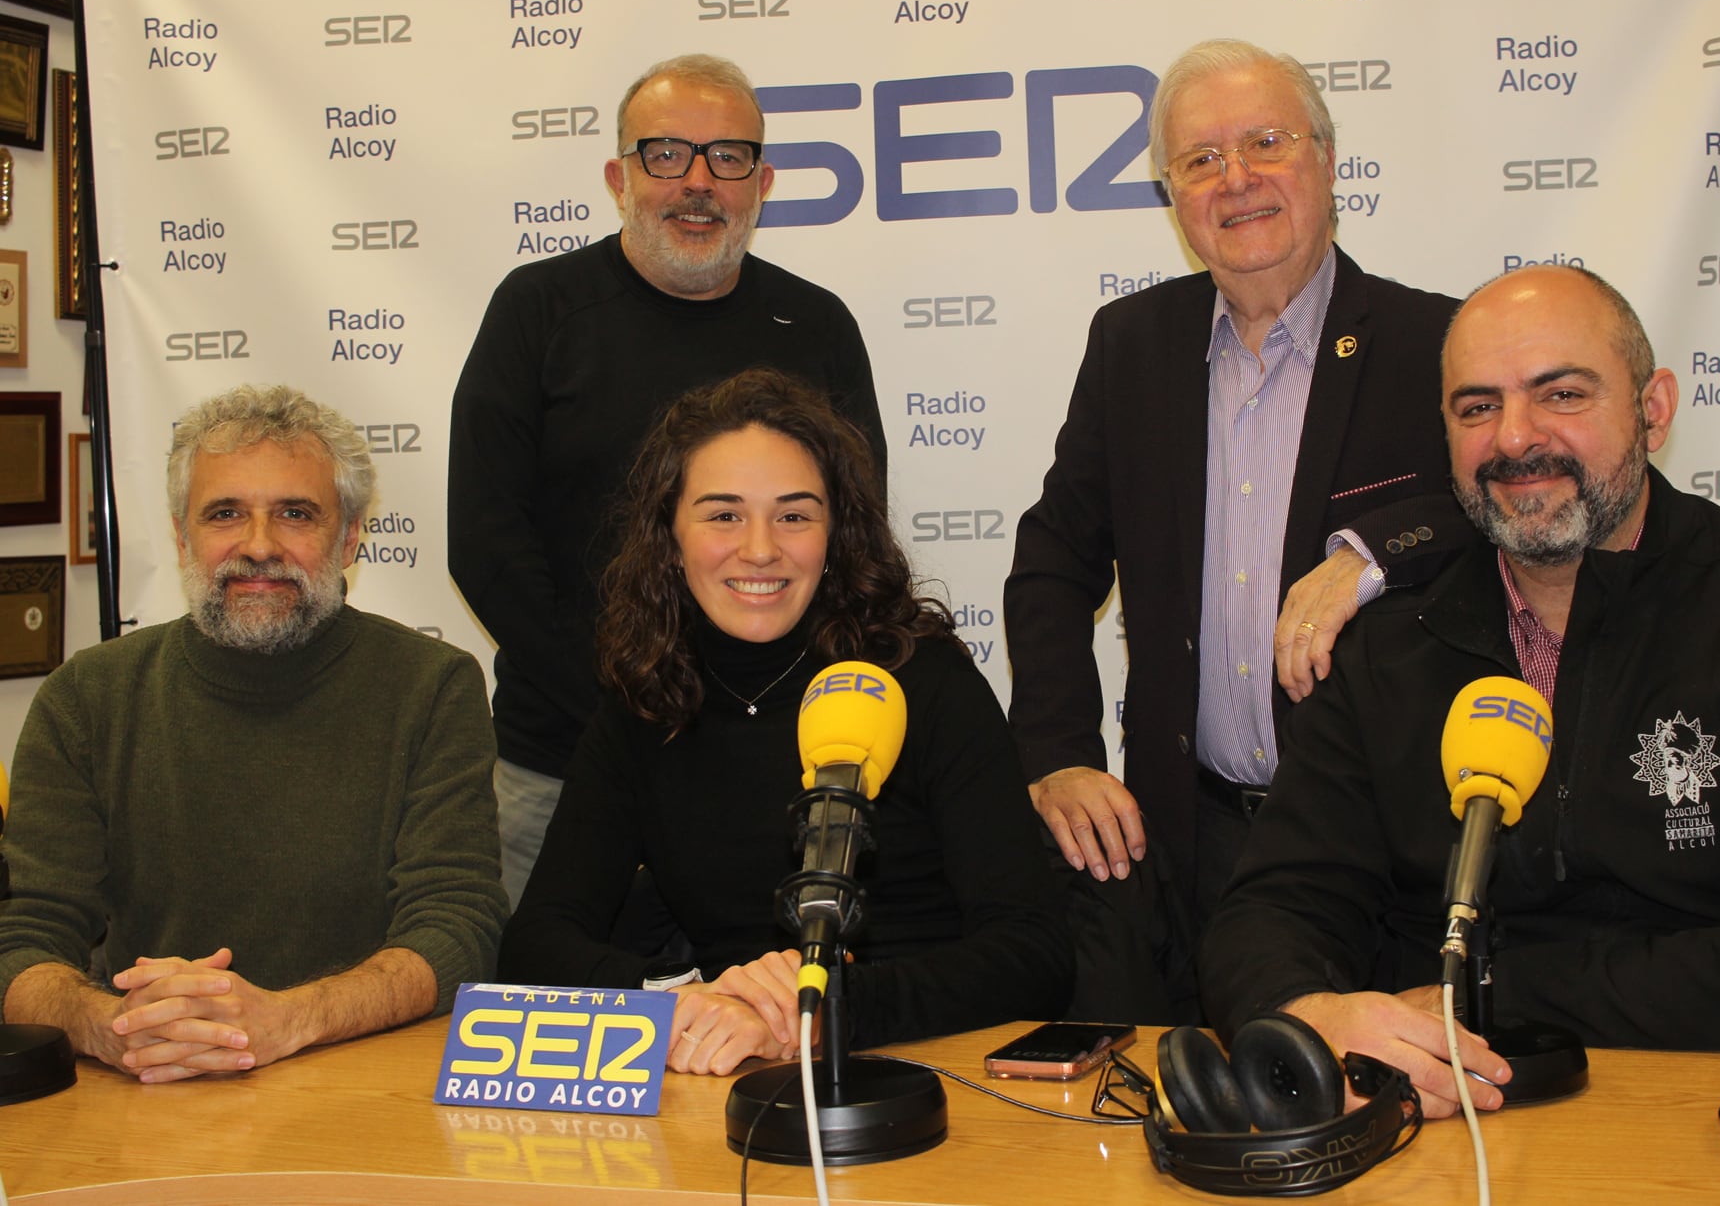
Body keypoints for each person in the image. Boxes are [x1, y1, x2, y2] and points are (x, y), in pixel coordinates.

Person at [1201, 266, 1720, 1117]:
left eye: (1560, 393)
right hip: (1440, 1124)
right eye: (1477, 407)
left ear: (1654, 410)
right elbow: (1267, 913)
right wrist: (1315, 1012)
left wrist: (1466, 999)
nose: (1515, 439)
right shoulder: (1383, 653)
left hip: (1700, 1112)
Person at [1005, 38, 1468, 930]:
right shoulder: (1131, 344)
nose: (1237, 178)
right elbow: (1054, 554)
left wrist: (1373, 552)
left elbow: (1505, 512)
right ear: (1172, 196)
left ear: (1327, 161)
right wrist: (1056, 752)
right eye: (1202, 159)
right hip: (1188, 844)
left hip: (1382, 855)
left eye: (1267, 142)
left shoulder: (1435, 343)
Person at [498, 369, 1070, 1073]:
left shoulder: (922, 679)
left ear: (836, 532)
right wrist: (680, 1003)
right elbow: (536, 940)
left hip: (934, 1073)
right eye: (723, 514)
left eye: (794, 515)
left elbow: (1032, 952)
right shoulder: (647, 699)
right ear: (670, 536)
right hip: (734, 1075)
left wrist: (823, 1010)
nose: (761, 548)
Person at [451, 53, 885, 908]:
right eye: (666, 154)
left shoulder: (817, 324)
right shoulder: (537, 310)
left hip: (763, 766)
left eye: (727, 158)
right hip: (559, 761)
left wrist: (731, 723)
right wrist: (630, 711)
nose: (698, 182)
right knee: (536, 1009)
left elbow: (847, 542)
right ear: (619, 177)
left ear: (761, 182)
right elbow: (486, 540)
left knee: (754, 1016)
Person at [0, 384, 506, 1084]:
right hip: (150, 1082)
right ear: (182, 535)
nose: (259, 546)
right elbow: (26, 941)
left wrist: (286, 1019)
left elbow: (458, 930)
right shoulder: (85, 699)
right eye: (225, 513)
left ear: (351, 534)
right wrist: (119, 1030)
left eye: (295, 513)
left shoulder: (433, 686)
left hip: (361, 1080)